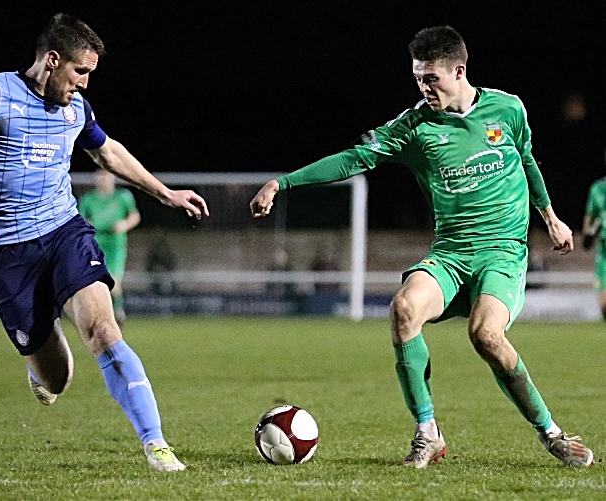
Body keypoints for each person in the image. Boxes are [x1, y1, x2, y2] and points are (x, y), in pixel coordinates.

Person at [250, 25, 593, 468]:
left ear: (459, 70)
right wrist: (283, 182)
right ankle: (427, 433)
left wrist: (551, 217)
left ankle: (552, 434)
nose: (424, 87)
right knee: (404, 309)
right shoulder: (413, 127)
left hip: (502, 252)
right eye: (418, 79)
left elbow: (526, 161)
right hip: (451, 252)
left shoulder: (508, 110)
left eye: (431, 78)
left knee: (485, 335)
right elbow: (353, 159)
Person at [0, 13, 209, 472]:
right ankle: (41, 367)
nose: (85, 83)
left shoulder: (76, 110)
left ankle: (156, 444)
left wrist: (165, 193)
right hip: (6, 253)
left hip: (64, 231)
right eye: (80, 71)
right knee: (58, 378)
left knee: (104, 332)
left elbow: (107, 151)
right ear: (52, 60)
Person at [79, 169, 141, 325]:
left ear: (112, 178)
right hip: (95, 245)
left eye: (106, 176)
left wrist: (124, 225)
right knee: (96, 283)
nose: (103, 180)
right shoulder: (89, 199)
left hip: (115, 245)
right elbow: (81, 219)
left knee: (114, 283)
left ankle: (118, 311)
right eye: (100, 176)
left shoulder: (123, 196)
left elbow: (134, 216)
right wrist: (90, 225)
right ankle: (101, 316)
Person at [582, 147, 606, 319]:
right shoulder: (598, 189)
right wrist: (587, 235)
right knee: (604, 305)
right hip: (604, 254)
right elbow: (590, 216)